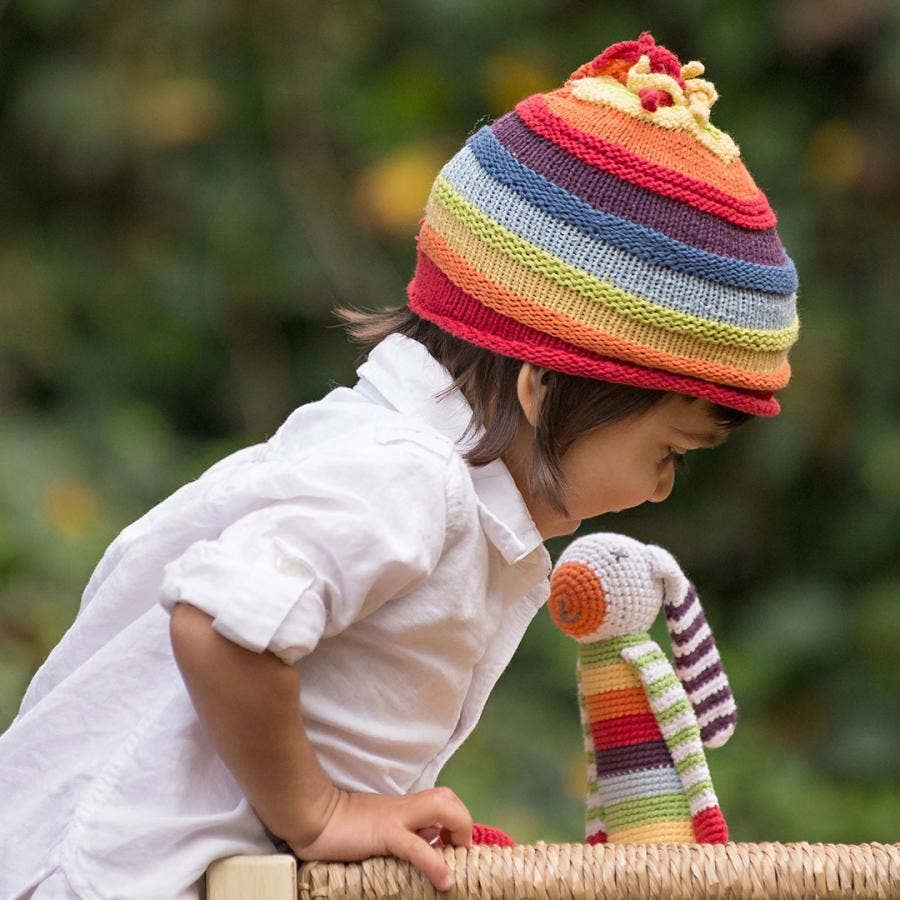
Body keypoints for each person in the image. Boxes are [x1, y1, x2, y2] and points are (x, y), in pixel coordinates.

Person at [0, 31, 799, 899]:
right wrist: (319, 813)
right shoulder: (403, 477)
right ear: (544, 388)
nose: (659, 488)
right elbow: (221, 621)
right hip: (101, 877)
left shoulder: (421, 477)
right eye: (668, 453)